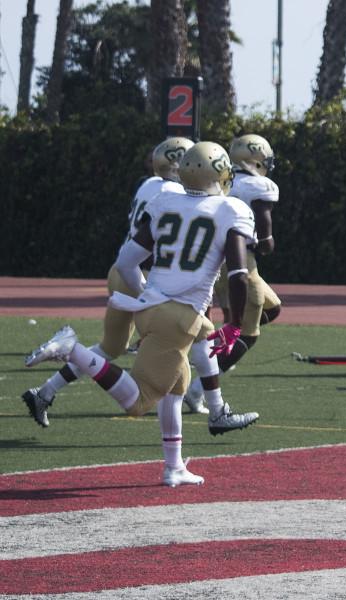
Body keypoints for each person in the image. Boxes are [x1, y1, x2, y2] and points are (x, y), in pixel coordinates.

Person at [24, 141, 260, 487]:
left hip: (149, 307)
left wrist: (150, 295)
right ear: (221, 174)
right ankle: (72, 349)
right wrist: (236, 324)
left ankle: (174, 466)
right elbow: (240, 275)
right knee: (138, 401)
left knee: (177, 385)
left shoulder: (165, 200)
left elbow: (126, 261)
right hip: (178, 315)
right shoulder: (231, 209)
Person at [21, 137, 211, 420]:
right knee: (190, 335)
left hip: (122, 269)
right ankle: (207, 402)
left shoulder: (148, 184)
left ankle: (45, 391)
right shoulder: (173, 192)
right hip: (146, 276)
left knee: (113, 347)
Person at [183, 134, 282, 407]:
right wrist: (265, 244)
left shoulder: (221, 180)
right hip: (242, 262)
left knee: (272, 309)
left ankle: (212, 352)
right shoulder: (260, 186)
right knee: (247, 335)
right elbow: (265, 240)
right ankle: (198, 389)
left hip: (215, 261)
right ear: (255, 158)